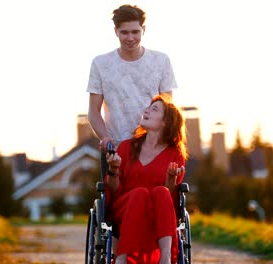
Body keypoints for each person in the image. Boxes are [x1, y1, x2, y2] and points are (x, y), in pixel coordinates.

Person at [87, 4, 178, 177]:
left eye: (135, 32)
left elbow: (168, 109)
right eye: (124, 32)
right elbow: (93, 112)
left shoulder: (161, 61)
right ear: (116, 31)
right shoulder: (100, 64)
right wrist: (106, 138)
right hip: (117, 148)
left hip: (154, 146)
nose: (130, 38)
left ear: (143, 29)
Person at [105, 94, 187, 264]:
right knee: (140, 193)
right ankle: (122, 259)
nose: (146, 111)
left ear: (165, 122)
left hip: (158, 213)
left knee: (162, 191)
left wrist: (170, 180)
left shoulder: (175, 155)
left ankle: (165, 259)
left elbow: (170, 196)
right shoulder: (127, 147)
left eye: (154, 109)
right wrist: (113, 170)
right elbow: (113, 189)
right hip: (126, 207)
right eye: (149, 107)